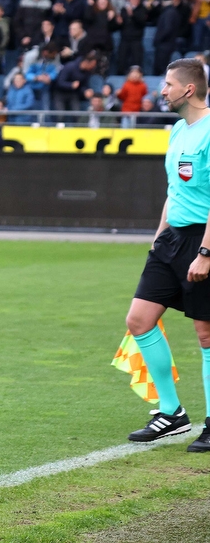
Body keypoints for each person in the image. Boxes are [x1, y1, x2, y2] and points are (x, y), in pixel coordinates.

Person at [122, 57, 210, 452]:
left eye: (168, 84)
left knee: (206, 333)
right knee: (139, 320)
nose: (162, 91)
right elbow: (174, 190)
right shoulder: (177, 129)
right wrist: (159, 239)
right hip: (171, 241)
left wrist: (206, 252)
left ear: (188, 89)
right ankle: (172, 413)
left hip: (202, 241)